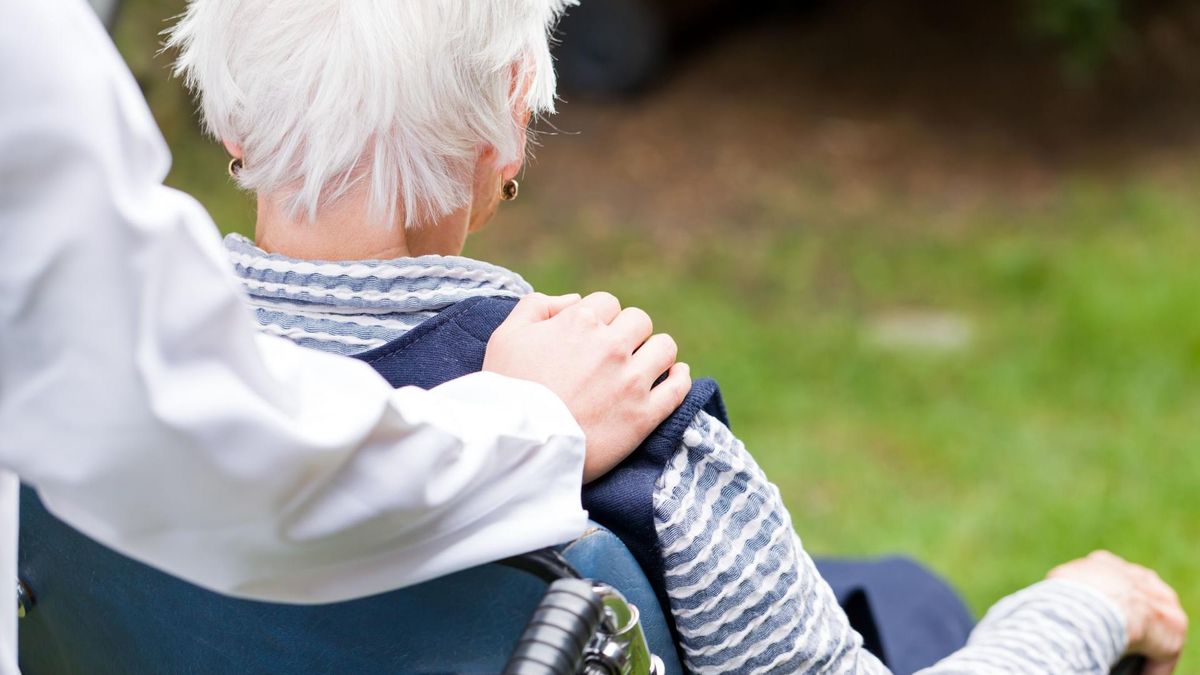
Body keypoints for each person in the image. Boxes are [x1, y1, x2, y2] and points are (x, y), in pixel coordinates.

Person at [166, 0, 1188, 673]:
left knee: (893, 590)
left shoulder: (131, 370)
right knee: (920, 608)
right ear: (510, 117)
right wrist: (1084, 609)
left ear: (233, 121)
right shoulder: (628, 433)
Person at [0, 2, 694, 672]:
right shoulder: (629, 409)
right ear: (512, 117)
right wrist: (538, 422)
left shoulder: (38, 400)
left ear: (235, 123)